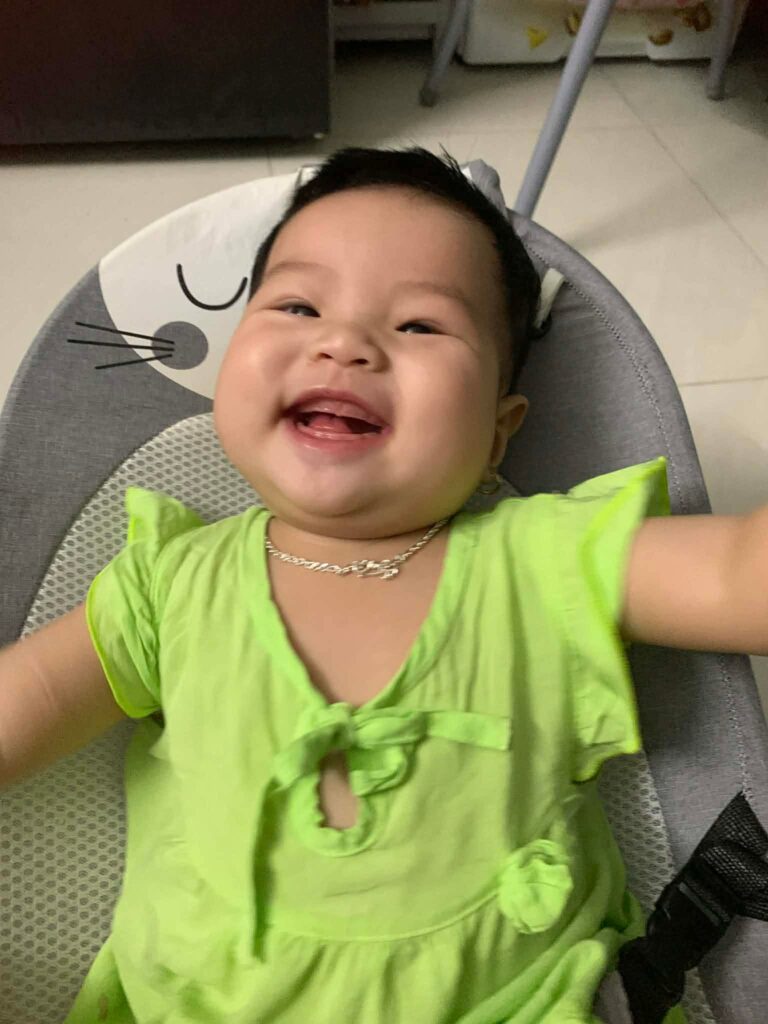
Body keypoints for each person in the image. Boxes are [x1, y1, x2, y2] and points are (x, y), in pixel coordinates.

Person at [0, 146, 765, 1024]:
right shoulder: (167, 586)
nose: (345, 343)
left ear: (497, 433)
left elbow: (739, 575)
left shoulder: (547, 560)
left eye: (419, 326)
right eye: (298, 306)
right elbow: (23, 702)